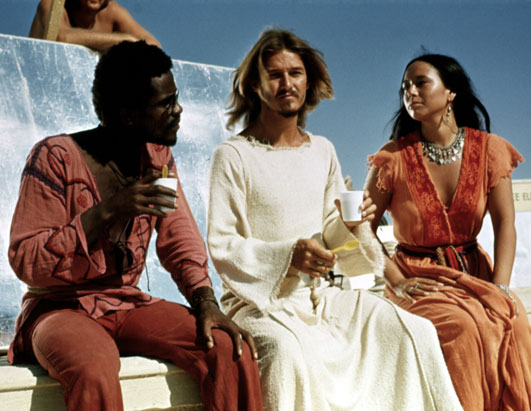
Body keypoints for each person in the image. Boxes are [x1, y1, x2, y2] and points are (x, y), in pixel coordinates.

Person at [207, 28, 462, 411]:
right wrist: (288, 256)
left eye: (295, 73)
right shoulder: (232, 156)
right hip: (260, 305)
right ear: (255, 86)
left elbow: (334, 240)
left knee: (413, 330)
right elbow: (223, 244)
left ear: (308, 83)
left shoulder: (322, 151)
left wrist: (353, 225)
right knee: (286, 353)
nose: (287, 83)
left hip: (321, 297)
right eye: (275, 75)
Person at [7, 41, 262, 411]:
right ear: (128, 114)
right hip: (58, 309)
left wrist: (206, 302)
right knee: (92, 366)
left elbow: (180, 239)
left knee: (228, 347)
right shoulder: (54, 157)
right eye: (166, 103)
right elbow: (26, 260)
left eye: (176, 99)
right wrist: (107, 211)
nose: (178, 110)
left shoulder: (157, 158)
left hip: (126, 303)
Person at [366, 53, 531, 410]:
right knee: (463, 327)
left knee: (515, 322)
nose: (410, 92)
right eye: (405, 87)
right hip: (418, 277)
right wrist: (397, 281)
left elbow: (505, 223)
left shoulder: (490, 150)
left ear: (451, 92)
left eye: (420, 83)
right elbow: (363, 231)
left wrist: (501, 288)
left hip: (476, 272)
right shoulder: (392, 158)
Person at [29, 0, 160, 51]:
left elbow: (154, 47)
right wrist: (125, 40)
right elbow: (61, 37)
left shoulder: (111, 11)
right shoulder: (53, 4)